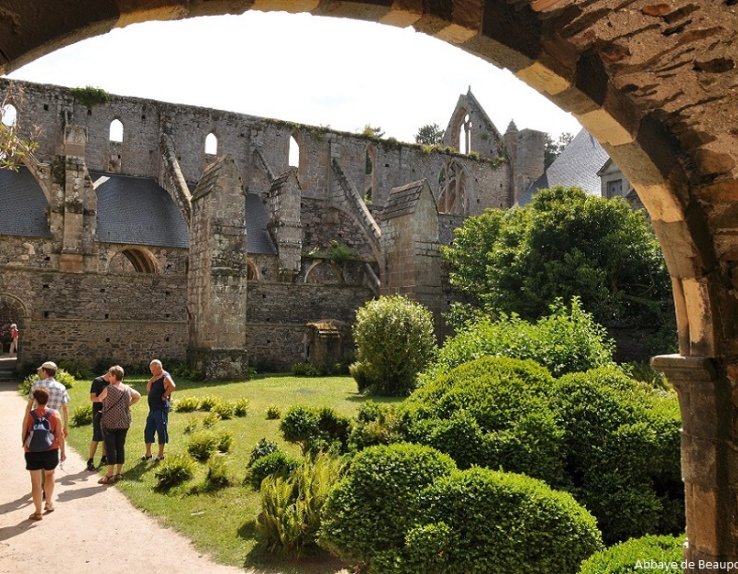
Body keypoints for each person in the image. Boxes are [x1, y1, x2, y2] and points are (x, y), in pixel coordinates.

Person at [22, 387, 66, 520]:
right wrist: (62, 451)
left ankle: (38, 512)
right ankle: (49, 503)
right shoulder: (55, 414)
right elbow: (60, 435)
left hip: (32, 451)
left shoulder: (30, 415)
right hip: (51, 450)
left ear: (35, 400)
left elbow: (24, 431)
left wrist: (25, 446)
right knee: (50, 475)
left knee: (35, 483)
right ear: (48, 399)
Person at [96, 365, 140, 484]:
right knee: (120, 447)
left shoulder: (108, 389)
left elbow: (99, 399)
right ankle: (119, 474)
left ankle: (109, 476)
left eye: (110, 376)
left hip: (109, 422)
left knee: (110, 448)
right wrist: (127, 405)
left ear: (114, 376)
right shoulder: (127, 388)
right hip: (124, 422)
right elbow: (138, 396)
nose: (109, 378)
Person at [142, 359, 175, 462]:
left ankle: (160, 455)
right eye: (151, 370)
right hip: (152, 409)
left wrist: (165, 395)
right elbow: (148, 389)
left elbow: (172, 386)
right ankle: (148, 454)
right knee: (148, 430)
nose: (151, 372)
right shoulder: (156, 377)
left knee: (161, 431)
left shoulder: (165, 376)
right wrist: (152, 379)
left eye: (153, 370)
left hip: (160, 409)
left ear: (159, 368)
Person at [26, 361, 70, 439]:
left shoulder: (36, 385)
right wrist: (65, 427)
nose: (40, 373)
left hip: (37, 423)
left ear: (45, 371)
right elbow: (65, 409)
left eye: (41, 371)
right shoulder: (61, 387)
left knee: (37, 446)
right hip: (55, 422)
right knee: (54, 447)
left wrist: (26, 423)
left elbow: (29, 407)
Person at [86, 368, 112, 471]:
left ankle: (104, 458)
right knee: (97, 436)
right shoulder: (97, 381)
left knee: (107, 436)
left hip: (109, 412)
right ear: (109, 373)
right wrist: (103, 400)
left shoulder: (113, 382)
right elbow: (92, 398)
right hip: (98, 412)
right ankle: (90, 460)